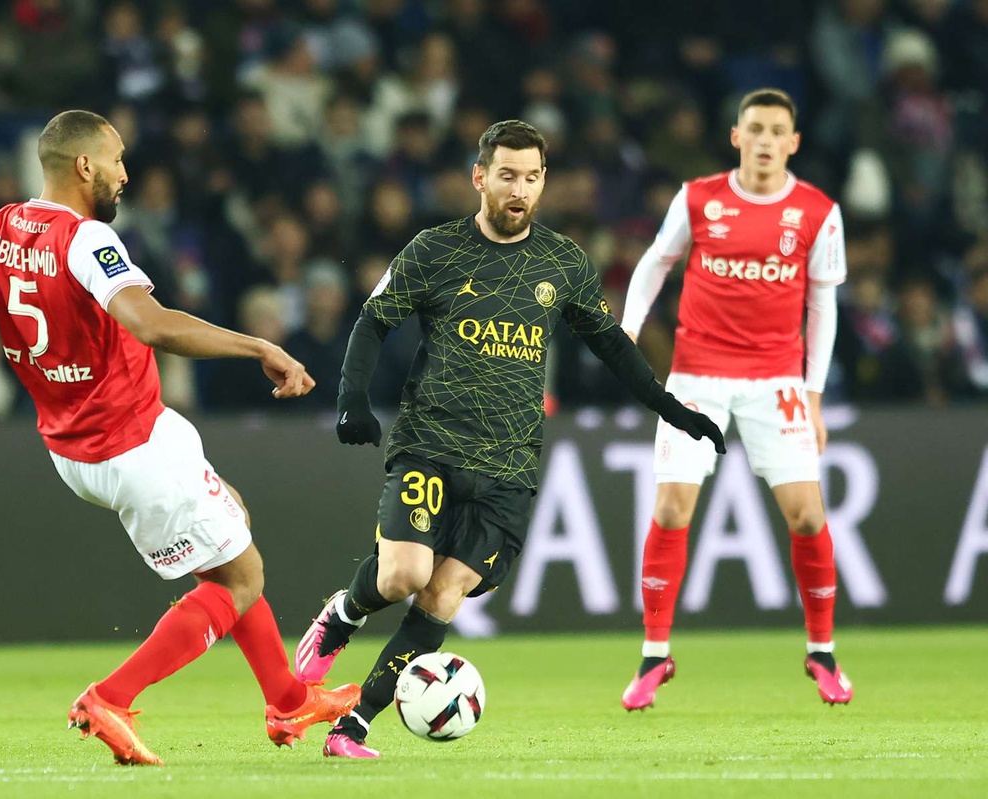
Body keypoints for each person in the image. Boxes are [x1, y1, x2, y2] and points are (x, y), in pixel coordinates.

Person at [0, 110, 359, 766]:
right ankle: (110, 696)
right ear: (83, 166)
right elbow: (150, 323)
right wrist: (259, 345)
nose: (126, 174)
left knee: (230, 519)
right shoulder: (85, 241)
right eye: (118, 160)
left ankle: (286, 697)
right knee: (241, 578)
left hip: (74, 446)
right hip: (132, 443)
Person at [293, 119, 726, 759]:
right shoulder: (435, 250)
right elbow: (373, 319)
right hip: (431, 445)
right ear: (480, 178)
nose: (518, 189)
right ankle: (343, 615)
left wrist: (671, 408)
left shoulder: (563, 263)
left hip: (510, 468)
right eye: (506, 176)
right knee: (402, 577)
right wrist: (351, 400)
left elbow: (611, 346)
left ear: (543, 182)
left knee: (443, 596)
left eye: (530, 178)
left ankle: (351, 727)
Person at [617, 88, 853, 710]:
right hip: (696, 374)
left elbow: (822, 305)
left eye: (779, 130)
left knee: (805, 514)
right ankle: (653, 658)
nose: (767, 140)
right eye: (757, 128)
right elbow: (655, 262)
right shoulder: (699, 198)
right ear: (736, 135)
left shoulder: (817, 212)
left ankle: (822, 653)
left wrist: (816, 395)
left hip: (776, 381)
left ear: (794, 142)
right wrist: (628, 334)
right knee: (671, 507)